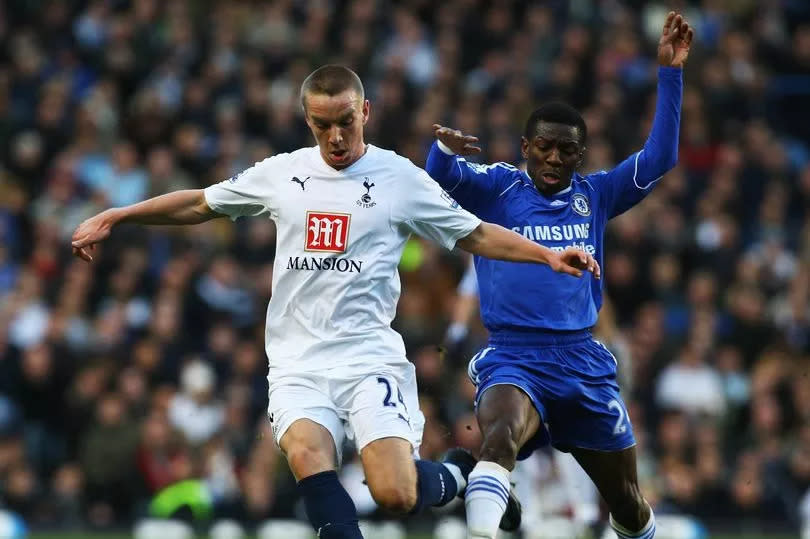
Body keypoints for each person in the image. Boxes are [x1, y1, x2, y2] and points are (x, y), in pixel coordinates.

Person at [71, 65, 598, 539]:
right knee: (308, 458)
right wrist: (119, 215)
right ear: (307, 120)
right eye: (322, 125)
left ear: (365, 110)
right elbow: (200, 203)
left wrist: (547, 255)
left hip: (369, 358)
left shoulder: (401, 179)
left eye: (346, 120)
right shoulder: (282, 173)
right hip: (297, 363)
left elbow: (476, 234)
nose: (336, 136)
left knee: (396, 495)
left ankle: (459, 473)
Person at [425, 12, 693, 539]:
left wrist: (670, 72)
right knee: (499, 433)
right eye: (543, 146)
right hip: (513, 354)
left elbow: (661, 157)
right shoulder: (499, 187)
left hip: (583, 362)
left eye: (566, 149)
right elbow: (441, 174)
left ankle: (626, 524)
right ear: (525, 147)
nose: (553, 157)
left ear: (581, 154)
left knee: (628, 503)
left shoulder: (595, 195)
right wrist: (442, 149)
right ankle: (487, 514)